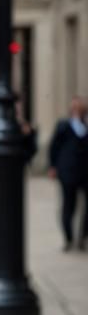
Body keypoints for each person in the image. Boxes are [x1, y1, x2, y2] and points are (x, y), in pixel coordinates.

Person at [47, 96, 88, 252]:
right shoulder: (64, 125)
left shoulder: (86, 125)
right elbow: (54, 146)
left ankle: (82, 237)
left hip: (85, 172)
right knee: (69, 205)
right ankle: (69, 238)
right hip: (68, 171)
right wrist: (53, 166)